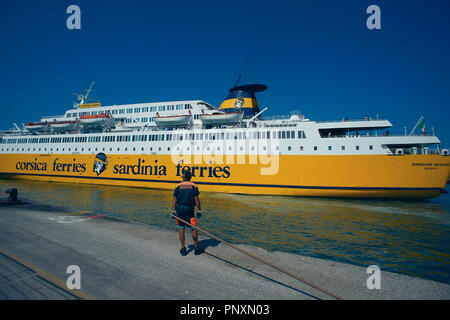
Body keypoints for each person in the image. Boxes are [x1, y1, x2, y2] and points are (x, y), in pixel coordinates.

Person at [172, 170, 204, 256]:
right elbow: (196, 199)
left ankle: (183, 249)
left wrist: (174, 211)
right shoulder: (194, 186)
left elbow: (174, 200)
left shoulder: (178, 186)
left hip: (179, 210)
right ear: (190, 177)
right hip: (189, 210)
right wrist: (199, 210)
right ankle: (196, 248)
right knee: (193, 228)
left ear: (183, 177)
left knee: (181, 228)